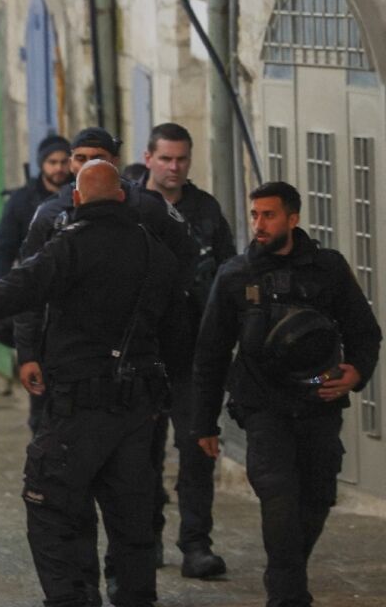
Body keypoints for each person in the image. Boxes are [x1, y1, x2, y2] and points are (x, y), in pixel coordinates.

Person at [0, 160, 182, 607]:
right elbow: (178, 333)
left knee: (52, 508)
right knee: (133, 524)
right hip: (138, 412)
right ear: (121, 197)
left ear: (76, 200)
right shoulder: (158, 254)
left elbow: (15, 289)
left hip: (78, 409)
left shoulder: (70, 248)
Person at [193, 181, 381, 607]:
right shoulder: (235, 275)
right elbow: (211, 354)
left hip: (319, 398)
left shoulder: (328, 269)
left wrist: (356, 373)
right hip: (263, 407)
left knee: (317, 497)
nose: (259, 224)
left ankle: (287, 570)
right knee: (278, 495)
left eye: (269, 215)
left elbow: (364, 332)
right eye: (255, 215)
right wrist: (204, 424)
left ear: (293, 219)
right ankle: (287, 593)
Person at [14, 128, 196, 435]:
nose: (87, 165)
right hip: (69, 352)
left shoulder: (146, 208)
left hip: (137, 350)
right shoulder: (51, 215)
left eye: (97, 158)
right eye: (80, 158)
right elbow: (28, 288)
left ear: (113, 161)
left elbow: (183, 262)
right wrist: (28, 353)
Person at [137, 122, 235, 578]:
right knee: (141, 453)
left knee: (197, 448)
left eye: (182, 159)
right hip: (141, 354)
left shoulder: (205, 210)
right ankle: (145, 536)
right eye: (166, 159)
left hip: (194, 354)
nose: (174, 167)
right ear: (149, 157)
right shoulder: (131, 208)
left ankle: (195, 542)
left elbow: (228, 278)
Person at [0, 135, 71, 282]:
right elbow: (3, 251)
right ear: (42, 164)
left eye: (64, 162)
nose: (59, 168)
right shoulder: (22, 201)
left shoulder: (81, 193)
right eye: (52, 162)